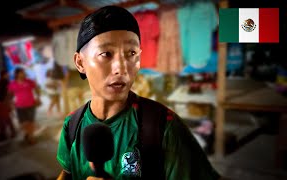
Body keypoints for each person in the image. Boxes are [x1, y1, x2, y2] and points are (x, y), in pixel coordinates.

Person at [57, 6, 221, 180]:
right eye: (106, 54)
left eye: (131, 53)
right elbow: (66, 173)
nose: (121, 68)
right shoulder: (73, 124)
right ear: (80, 62)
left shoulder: (163, 126)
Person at [8, 67, 41, 144]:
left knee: (30, 122)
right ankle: (28, 133)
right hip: (19, 106)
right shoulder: (12, 83)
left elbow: (37, 89)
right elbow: (10, 94)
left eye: (24, 72)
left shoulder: (29, 81)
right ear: (17, 74)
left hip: (31, 104)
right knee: (23, 123)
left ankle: (31, 137)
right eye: (22, 72)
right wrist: (10, 103)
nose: (24, 74)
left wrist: (38, 98)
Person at [0, 70, 16, 141]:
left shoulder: (1, 81)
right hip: (4, 101)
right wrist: (9, 100)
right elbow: (11, 92)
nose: (9, 75)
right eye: (7, 73)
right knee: (5, 118)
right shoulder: (5, 81)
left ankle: (4, 134)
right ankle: (9, 132)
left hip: (2, 102)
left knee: (3, 118)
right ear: (5, 74)